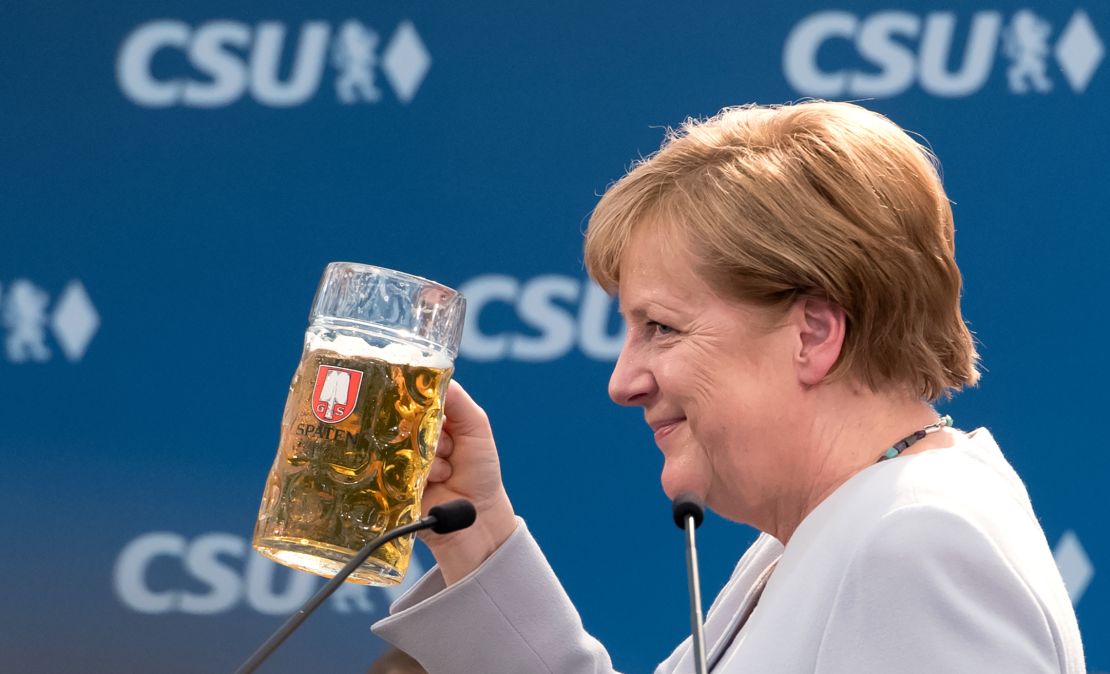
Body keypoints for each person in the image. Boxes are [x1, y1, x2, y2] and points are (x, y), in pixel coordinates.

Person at [370, 101, 1086, 672]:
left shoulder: (918, 543)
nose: (622, 381)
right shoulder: (825, 534)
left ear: (812, 334)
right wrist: (479, 529)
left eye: (661, 327)